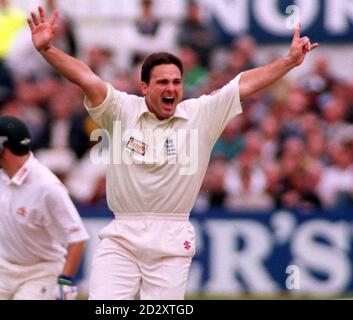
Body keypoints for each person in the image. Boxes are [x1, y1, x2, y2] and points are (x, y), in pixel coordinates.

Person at [28, 6, 318, 299]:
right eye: (163, 82)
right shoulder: (121, 109)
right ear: (144, 87)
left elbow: (244, 84)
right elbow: (86, 78)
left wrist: (289, 62)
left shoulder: (200, 114)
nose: (172, 88)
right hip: (122, 236)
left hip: (172, 237)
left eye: (177, 82)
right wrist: (48, 50)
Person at [0, 116, 89, 300]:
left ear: (3, 148)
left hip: (40, 271)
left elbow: (78, 238)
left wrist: (65, 280)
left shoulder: (47, 187)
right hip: (0, 266)